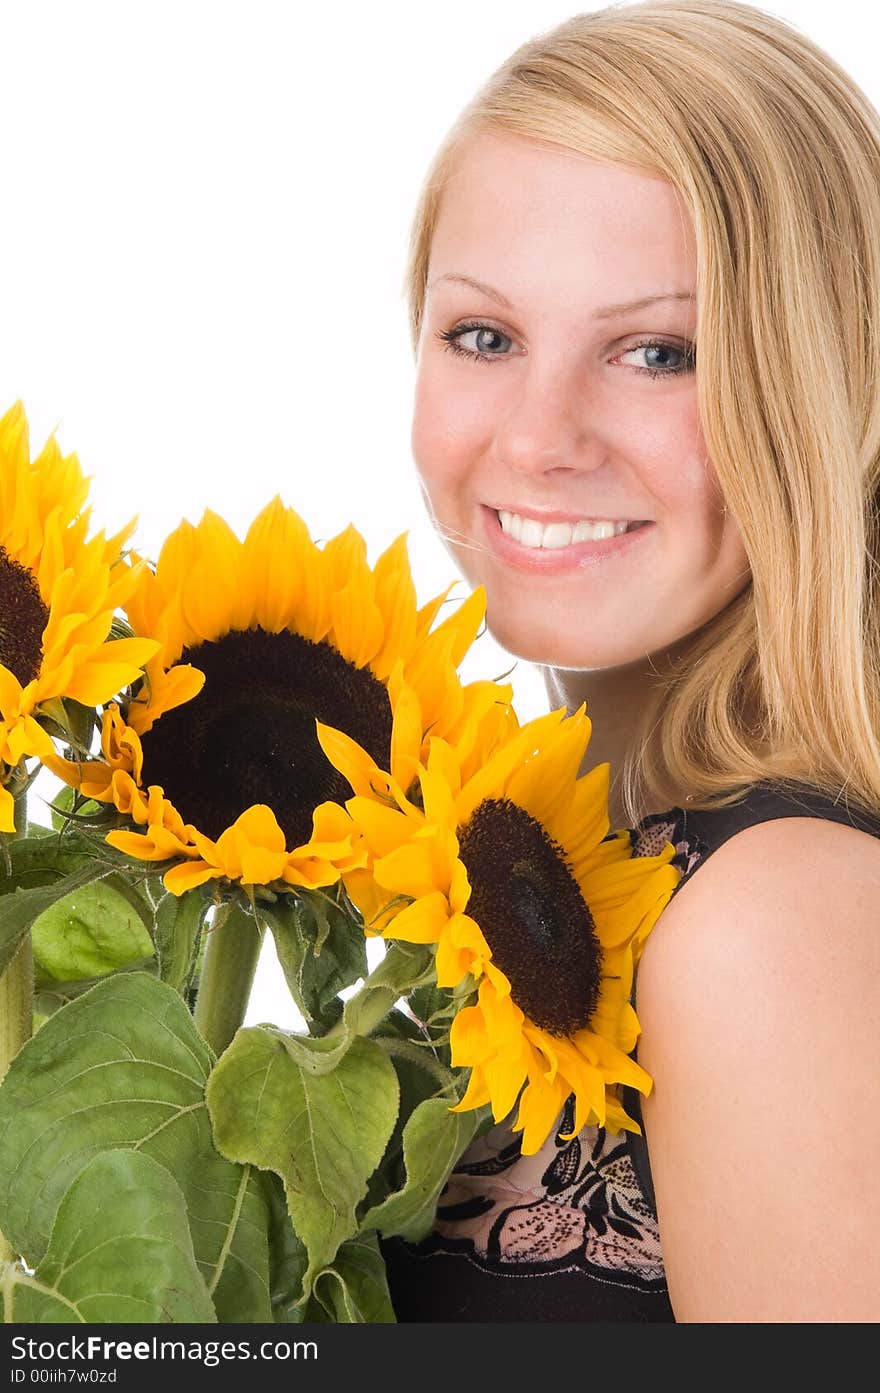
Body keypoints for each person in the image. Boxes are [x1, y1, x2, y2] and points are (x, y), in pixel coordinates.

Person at [378, 0, 880, 1322]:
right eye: (484, 335)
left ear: (816, 391)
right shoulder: (549, 859)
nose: (541, 438)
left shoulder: (772, 917)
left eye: (656, 352)